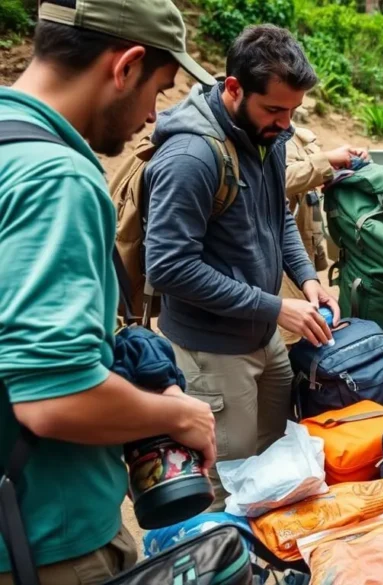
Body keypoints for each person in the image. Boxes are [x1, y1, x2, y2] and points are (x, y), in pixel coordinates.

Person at [0, 1, 218, 582]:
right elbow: (54, 398)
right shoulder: (55, 178)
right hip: (46, 539)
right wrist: (178, 414)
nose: (151, 117)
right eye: (158, 91)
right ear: (126, 66)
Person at [142, 24, 340, 509]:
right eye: (274, 110)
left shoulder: (267, 136)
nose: (285, 123)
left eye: (293, 111)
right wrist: (275, 307)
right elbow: (167, 266)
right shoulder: (191, 156)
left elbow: (278, 218)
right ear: (234, 88)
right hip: (211, 352)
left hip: (263, 336)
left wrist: (307, 279)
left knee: (276, 470)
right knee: (228, 489)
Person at [278, 126, 369, 347]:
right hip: (278, 263)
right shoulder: (260, 134)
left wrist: (342, 161)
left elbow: (310, 175)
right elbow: (277, 181)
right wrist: (326, 159)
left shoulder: (297, 134)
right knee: (290, 337)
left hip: (301, 253)